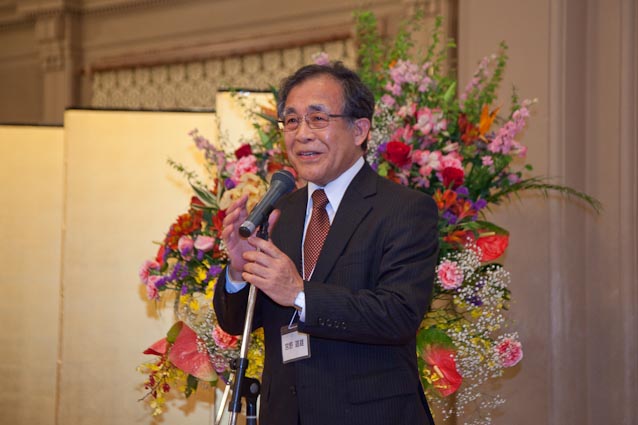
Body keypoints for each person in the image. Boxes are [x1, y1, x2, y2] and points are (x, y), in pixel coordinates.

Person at [214, 62, 438, 425]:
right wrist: (239, 273)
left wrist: (299, 294)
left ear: (359, 129)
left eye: (318, 119)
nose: (302, 134)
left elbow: (399, 314)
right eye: (291, 121)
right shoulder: (278, 212)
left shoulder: (404, 210)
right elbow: (236, 323)